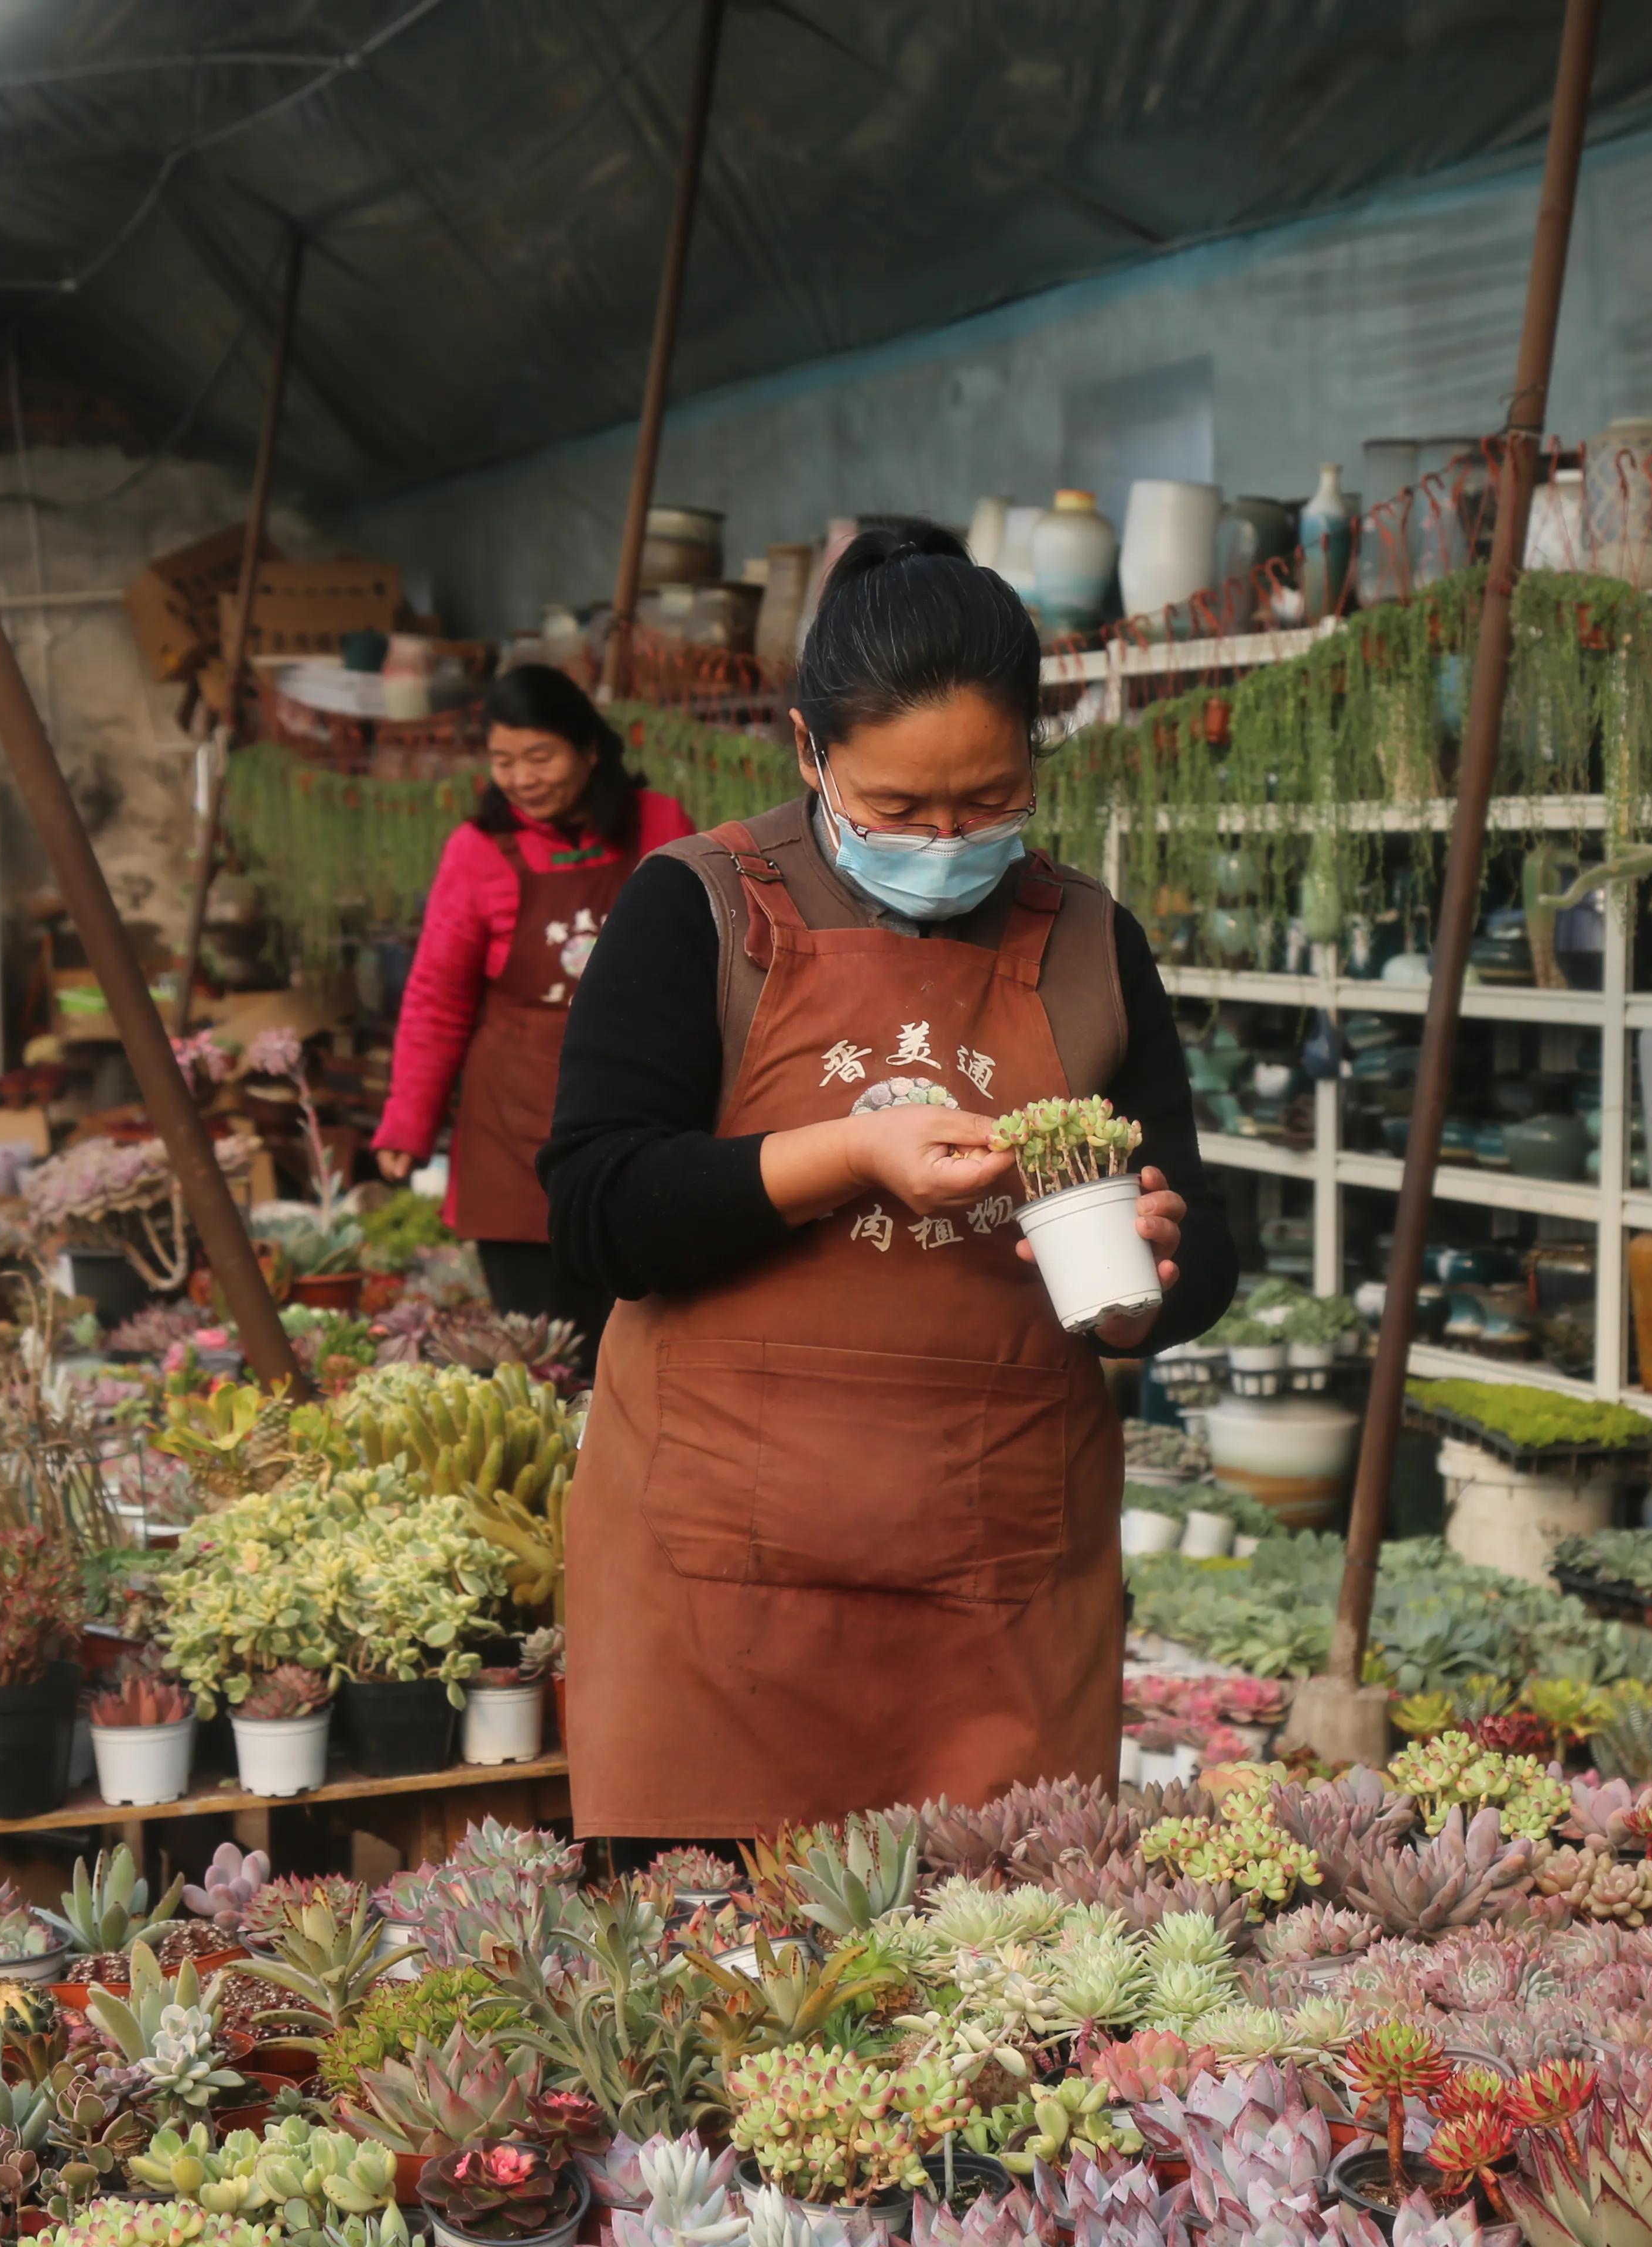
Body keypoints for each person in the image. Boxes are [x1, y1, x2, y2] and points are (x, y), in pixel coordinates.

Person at [544, 521, 1236, 1840]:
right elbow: (598, 1216)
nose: (946, 840)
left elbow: (1195, 1228)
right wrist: (848, 1155)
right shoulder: (696, 908)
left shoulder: (1090, 940)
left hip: (999, 1588)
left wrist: (1150, 1285)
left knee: (1001, 1999)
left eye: (986, 803)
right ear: (810, 751)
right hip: (717, 1597)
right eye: (899, 810)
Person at [372, 665, 693, 1339]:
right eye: (504, 761)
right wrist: (408, 1122)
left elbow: (705, 964)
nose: (522, 778)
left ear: (589, 748)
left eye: (540, 756)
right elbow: (437, 996)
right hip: (511, 1123)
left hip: (638, 1106)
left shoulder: (659, 825)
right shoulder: (478, 850)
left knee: (641, 1330)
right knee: (537, 1342)